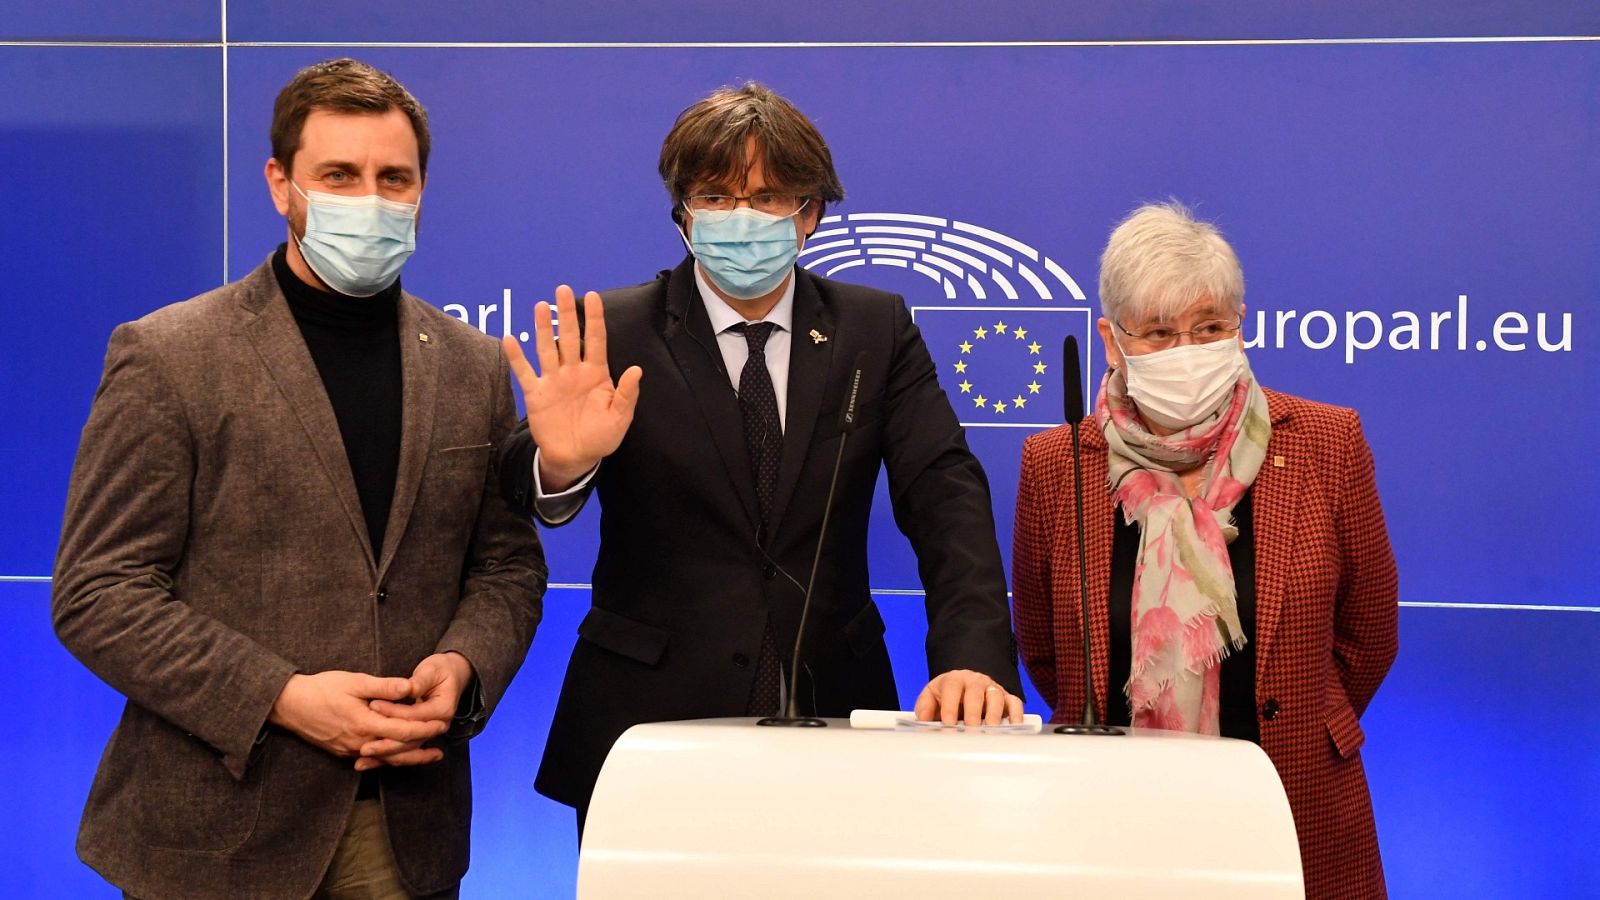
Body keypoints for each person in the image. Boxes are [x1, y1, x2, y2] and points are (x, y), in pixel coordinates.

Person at [51, 58, 545, 900]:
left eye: (395, 177)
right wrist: (280, 696)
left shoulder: (469, 366)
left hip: (405, 830)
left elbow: (506, 567)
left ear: (423, 189)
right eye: (339, 175)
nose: (371, 199)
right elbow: (98, 592)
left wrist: (463, 668)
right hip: (215, 838)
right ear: (282, 185)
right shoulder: (170, 354)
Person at [497, 82, 1023, 829]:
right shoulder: (613, 328)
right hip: (646, 731)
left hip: (835, 719)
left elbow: (947, 495)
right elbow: (526, 475)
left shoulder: (875, 330)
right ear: (682, 214)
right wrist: (564, 465)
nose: (740, 219)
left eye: (769, 195)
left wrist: (972, 657)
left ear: (809, 215)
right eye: (715, 196)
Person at [1011, 201, 1399, 899]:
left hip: (1297, 802)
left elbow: (1368, 635)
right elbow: (1046, 649)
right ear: (1111, 339)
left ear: (1241, 325)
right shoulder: (1055, 462)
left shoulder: (1327, 441)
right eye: (1159, 333)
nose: (1187, 351)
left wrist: (1305, 716)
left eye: (1209, 328)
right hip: (1109, 822)